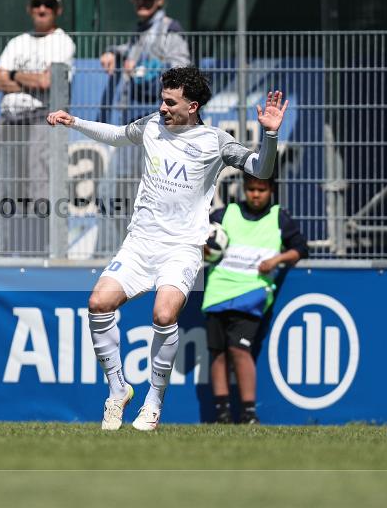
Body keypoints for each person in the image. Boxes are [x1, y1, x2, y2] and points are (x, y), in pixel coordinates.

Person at [46, 66, 288, 431]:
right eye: (162, 99)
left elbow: (261, 168)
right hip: (140, 243)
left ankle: (153, 403)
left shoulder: (215, 141)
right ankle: (118, 391)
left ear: (192, 106)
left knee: (163, 314)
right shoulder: (152, 125)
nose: (162, 107)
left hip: (181, 247)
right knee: (98, 303)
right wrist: (74, 122)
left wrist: (269, 134)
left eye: (170, 102)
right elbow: (116, 136)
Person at [97, 0, 191, 253]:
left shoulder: (170, 29)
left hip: (159, 129)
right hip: (136, 127)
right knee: (114, 194)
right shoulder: (142, 30)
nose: (142, 1)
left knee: (151, 196)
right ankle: (126, 253)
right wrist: (116, 52)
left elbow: (182, 69)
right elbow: (132, 50)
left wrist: (144, 70)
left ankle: (144, 253)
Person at [203, 174, 308, 425]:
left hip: (252, 294)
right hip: (218, 291)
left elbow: (301, 248)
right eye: (251, 189)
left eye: (261, 190)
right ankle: (222, 412)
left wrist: (276, 260)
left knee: (239, 350)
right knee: (217, 353)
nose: (256, 195)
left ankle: (249, 412)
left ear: (270, 190)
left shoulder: (279, 218)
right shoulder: (224, 214)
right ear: (244, 189)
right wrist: (203, 249)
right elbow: (201, 237)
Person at [0, 0, 75, 254]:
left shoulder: (63, 42)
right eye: (37, 4)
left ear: (58, 10)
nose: (42, 9)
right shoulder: (18, 41)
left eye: (48, 4)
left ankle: (38, 252)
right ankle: (4, 252)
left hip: (41, 122)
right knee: (3, 188)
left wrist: (12, 76)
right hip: (10, 121)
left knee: (39, 189)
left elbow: (48, 81)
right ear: (29, 8)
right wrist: (27, 80)